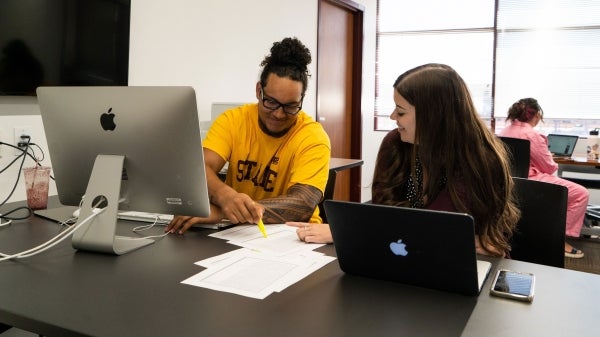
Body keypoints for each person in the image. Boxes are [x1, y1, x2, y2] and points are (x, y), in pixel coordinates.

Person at [290, 63, 520, 258]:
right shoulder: (397, 144)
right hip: (402, 255)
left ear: (433, 117)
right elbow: (387, 214)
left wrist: (352, 232)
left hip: (465, 265)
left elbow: (444, 228)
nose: (392, 117)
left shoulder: (479, 160)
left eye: (400, 112)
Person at [166, 37, 331, 234]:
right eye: (271, 102)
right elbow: (200, 168)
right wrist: (225, 196)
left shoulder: (313, 137)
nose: (279, 114)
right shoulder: (233, 120)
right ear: (258, 91)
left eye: (290, 106)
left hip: (295, 235)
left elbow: (302, 205)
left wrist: (223, 212)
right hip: (237, 233)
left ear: (301, 100)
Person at [499, 98, 588, 258]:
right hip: (531, 181)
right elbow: (549, 167)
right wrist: (548, 156)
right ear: (536, 115)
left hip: (509, 182)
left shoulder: (504, 131)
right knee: (581, 193)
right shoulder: (532, 135)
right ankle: (559, 241)